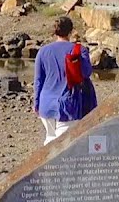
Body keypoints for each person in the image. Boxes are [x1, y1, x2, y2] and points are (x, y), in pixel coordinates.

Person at [32, 16, 98, 145]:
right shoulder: (78, 50)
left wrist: (36, 103)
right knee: (65, 145)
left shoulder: (43, 51)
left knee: (50, 140)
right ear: (71, 31)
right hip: (68, 104)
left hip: (46, 104)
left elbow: (38, 81)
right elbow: (86, 73)